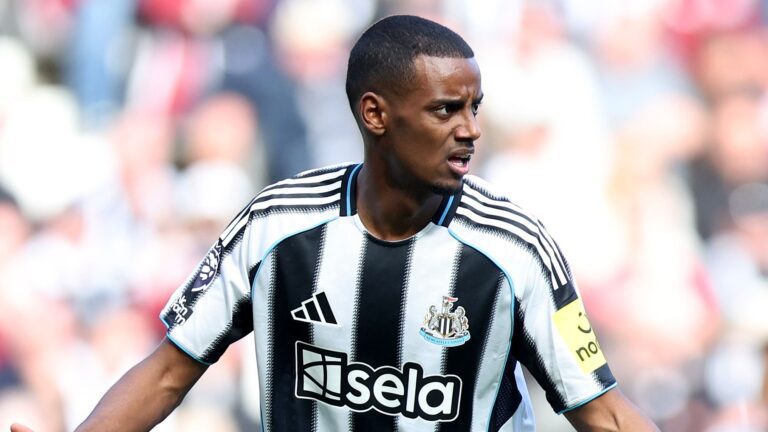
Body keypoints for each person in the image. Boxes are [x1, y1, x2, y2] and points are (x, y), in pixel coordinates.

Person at [11, 15, 658, 432]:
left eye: (474, 108)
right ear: (376, 115)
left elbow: (602, 411)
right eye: (445, 110)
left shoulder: (515, 247)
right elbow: (167, 372)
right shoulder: (276, 225)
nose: (470, 130)